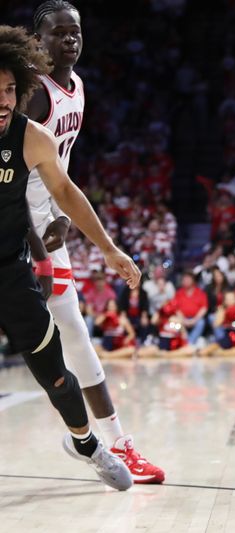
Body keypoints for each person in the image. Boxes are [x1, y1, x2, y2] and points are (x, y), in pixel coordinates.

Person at [23, 1, 164, 483]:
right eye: (58, 33)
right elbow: (8, 174)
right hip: (15, 224)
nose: (70, 40)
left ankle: (116, 441)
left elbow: (62, 166)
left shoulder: (77, 88)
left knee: (75, 332)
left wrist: (61, 216)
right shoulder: (31, 94)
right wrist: (37, 245)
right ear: (36, 39)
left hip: (43, 223)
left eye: (76, 32)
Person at [0, 23, 140, 490]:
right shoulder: (43, 104)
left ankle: (89, 442)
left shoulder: (31, 133)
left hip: (14, 261)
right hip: (31, 245)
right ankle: (112, 439)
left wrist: (108, 248)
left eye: (8, 90)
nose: (3, 100)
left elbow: (66, 189)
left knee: (56, 361)